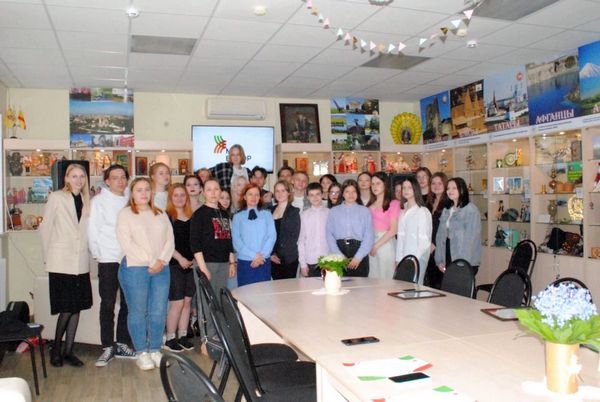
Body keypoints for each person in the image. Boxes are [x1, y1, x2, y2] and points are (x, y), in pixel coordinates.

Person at [117, 177, 175, 371]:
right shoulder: (125, 214)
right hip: (135, 268)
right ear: (132, 193)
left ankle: (155, 349)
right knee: (138, 312)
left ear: (152, 193)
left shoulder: (160, 213)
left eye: (147, 190)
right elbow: (127, 243)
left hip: (162, 268)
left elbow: (170, 240)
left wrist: (161, 260)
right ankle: (142, 352)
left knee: (158, 311)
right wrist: (152, 261)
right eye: (139, 190)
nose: (143, 193)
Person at [40, 163, 92, 368]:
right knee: (66, 309)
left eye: (82, 176)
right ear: (67, 178)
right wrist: (48, 258)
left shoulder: (87, 200)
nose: (78, 180)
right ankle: (56, 349)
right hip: (60, 262)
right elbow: (45, 229)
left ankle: (69, 351)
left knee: (76, 308)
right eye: (74, 176)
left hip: (80, 263)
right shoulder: (57, 197)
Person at [88, 164, 136, 367]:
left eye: (123, 177)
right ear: (107, 181)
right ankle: (107, 346)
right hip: (108, 258)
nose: (120, 181)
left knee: (127, 303)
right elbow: (92, 230)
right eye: (115, 178)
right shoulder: (98, 201)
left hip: (129, 258)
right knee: (107, 303)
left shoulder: (130, 200)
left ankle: (123, 343)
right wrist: (98, 254)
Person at [190, 178, 236, 353]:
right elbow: (195, 243)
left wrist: (232, 261)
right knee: (205, 302)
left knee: (218, 301)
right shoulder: (200, 214)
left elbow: (228, 240)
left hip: (223, 263)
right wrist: (203, 268)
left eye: (216, 189)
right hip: (206, 263)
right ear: (203, 192)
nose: (213, 192)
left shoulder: (223, 213)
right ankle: (206, 340)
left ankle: (216, 334)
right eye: (209, 189)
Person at [163, 184, 195, 353]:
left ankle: (182, 335)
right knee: (177, 303)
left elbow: (196, 241)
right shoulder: (166, 217)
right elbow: (165, 243)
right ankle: (170, 338)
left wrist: (193, 259)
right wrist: (180, 258)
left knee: (187, 301)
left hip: (191, 265)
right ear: (171, 197)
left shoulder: (192, 216)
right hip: (174, 264)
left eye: (182, 195)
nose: (180, 198)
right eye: (176, 195)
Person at [326, 180, 374, 277]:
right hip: (339, 250)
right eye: (347, 192)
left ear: (357, 193)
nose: (350, 195)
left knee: (361, 284)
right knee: (340, 283)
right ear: (342, 194)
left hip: (359, 251)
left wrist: (358, 257)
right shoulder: (334, 211)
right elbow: (329, 235)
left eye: (353, 191)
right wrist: (339, 255)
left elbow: (369, 236)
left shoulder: (364, 211)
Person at [435, 177, 482, 277]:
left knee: (461, 285)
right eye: (448, 188)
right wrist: (439, 260)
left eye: (454, 188)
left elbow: (471, 240)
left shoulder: (471, 210)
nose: (450, 191)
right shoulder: (447, 210)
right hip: (448, 254)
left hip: (465, 258)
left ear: (462, 190)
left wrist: (462, 263)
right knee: (449, 284)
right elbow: (440, 236)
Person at [232, 183, 276, 286]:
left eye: (256, 194)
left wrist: (261, 256)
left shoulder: (267, 214)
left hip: (263, 260)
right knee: (245, 293)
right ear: (244, 197)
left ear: (260, 197)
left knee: (264, 292)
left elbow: (272, 237)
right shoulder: (237, 217)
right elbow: (236, 241)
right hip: (245, 262)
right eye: (250, 194)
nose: (253, 197)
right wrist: (254, 256)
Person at [396, 177, 432, 285]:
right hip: (404, 258)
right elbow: (400, 238)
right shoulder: (403, 211)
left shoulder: (422, 211)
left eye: (410, 187)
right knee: (402, 288)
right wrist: (398, 259)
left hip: (418, 258)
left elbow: (424, 241)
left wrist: (415, 260)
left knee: (415, 288)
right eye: (404, 188)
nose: (406, 190)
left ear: (415, 189)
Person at [368, 172, 401, 279]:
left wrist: (376, 246)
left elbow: (393, 230)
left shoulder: (393, 203)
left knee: (386, 278)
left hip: (385, 242)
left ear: (385, 185)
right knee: (373, 278)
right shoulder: (370, 204)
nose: (375, 186)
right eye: (373, 184)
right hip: (371, 242)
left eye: (378, 183)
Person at [270, 180, 301, 279]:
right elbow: (266, 235)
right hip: (272, 257)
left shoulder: (294, 212)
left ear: (288, 193)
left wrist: (280, 255)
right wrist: (271, 254)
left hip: (289, 258)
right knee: (276, 286)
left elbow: (294, 236)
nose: (280, 194)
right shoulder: (269, 211)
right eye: (277, 191)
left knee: (289, 287)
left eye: (283, 190)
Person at [299, 183, 330, 277]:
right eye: (311, 195)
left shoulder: (329, 213)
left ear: (322, 195)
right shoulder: (304, 215)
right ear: (308, 197)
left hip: (328, 259)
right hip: (311, 260)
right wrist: (303, 264)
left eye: (318, 194)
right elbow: (301, 241)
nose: (315, 197)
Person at [425, 172, 448, 289]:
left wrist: (434, 243)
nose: (436, 186)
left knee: (441, 282)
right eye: (433, 183)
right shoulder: (429, 203)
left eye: (440, 183)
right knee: (431, 281)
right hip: (428, 246)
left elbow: (445, 228)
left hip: (441, 247)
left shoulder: (448, 204)